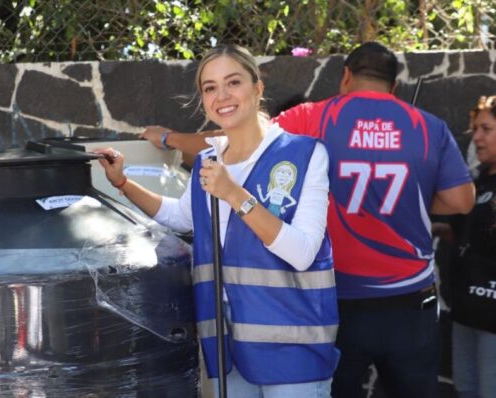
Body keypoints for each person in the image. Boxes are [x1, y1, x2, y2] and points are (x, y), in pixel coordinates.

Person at [142, 42, 476, 397]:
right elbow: (462, 201)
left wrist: (169, 138)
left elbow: (238, 135)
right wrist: (415, 197)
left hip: (340, 300)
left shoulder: (314, 117)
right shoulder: (427, 126)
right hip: (410, 300)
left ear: (346, 76)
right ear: (394, 86)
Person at [97, 44, 339, 397]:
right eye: (210, 87)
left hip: (293, 347)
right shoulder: (209, 161)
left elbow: (302, 252)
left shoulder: (305, 154)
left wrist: (234, 194)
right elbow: (180, 216)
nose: (221, 96)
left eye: (233, 82)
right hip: (229, 345)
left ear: (257, 88)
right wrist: (122, 182)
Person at [446, 95, 496, 398]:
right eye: (475, 129)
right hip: (466, 309)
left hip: (492, 319)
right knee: (466, 390)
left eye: (486, 129)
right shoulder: (480, 179)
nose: (476, 137)